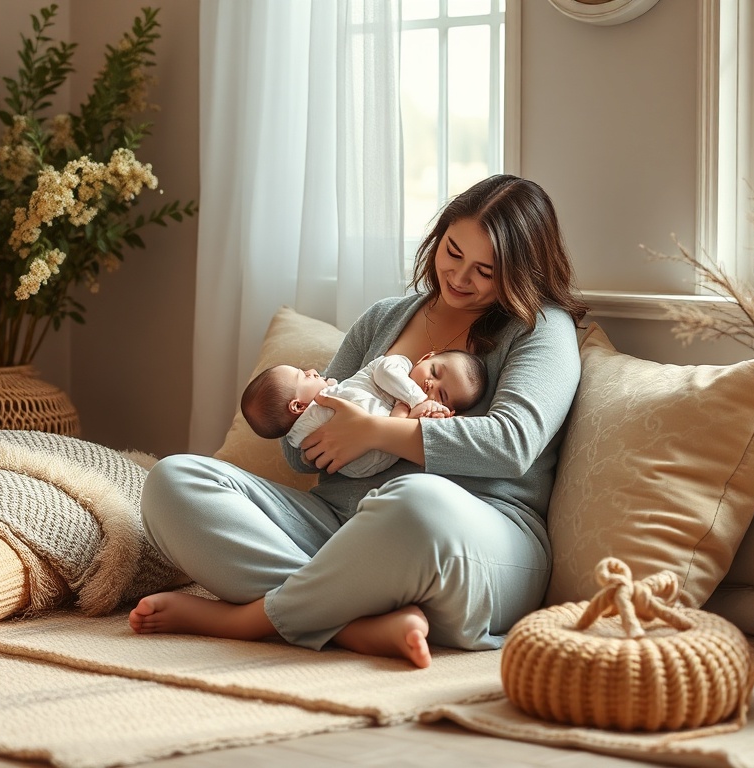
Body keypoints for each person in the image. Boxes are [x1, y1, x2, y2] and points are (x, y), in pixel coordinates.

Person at [129, 174, 588, 670]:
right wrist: (316, 421)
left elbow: (511, 444)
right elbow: (300, 453)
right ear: (439, 236)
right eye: (453, 252)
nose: (459, 277)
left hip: (469, 537)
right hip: (337, 525)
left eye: (485, 270)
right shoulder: (383, 318)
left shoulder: (540, 328)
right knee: (173, 480)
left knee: (415, 501)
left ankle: (249, 620)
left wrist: (375, 431)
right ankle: (354, 624)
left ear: (520, 272)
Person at [241, 349, 489, 478]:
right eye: (434, 372)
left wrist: (377, 429)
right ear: (426, 357)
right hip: (354, 466)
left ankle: (399, 423)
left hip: (370, 465)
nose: (429, 384)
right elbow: (384, 373)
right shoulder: (398, 364)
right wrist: (419, 401)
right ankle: (399, 422)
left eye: (441, 395)